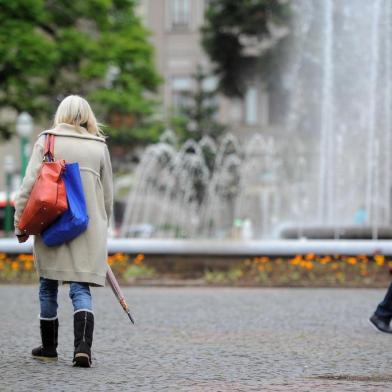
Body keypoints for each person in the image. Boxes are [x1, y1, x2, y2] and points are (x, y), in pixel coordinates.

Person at [14, 95, 113, 367]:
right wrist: (102, 230)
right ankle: (83, 348)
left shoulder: (48, 140)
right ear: (87, 116)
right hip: (86, 228)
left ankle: (49, 348)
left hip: (52, 225)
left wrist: (19, 223)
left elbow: (28, 185)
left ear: (61, 113)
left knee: (48, 286)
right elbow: (107, 198)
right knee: (80, 287)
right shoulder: (98, 146)